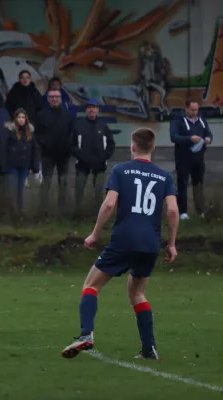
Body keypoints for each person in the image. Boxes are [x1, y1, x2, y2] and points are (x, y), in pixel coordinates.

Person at [61, 128, 179, 360]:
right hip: (150, 243)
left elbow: (108, 205)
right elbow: (173, 210)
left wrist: (94, 234)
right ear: (153, 148)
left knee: (91, 286)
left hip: (124, 239)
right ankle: (149, 348)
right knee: (137, 293)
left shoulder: (121, 170)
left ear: (132, 147)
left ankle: (86, 335)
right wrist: (172, 244)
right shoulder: (164, 176)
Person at [169, 99, 213, 220]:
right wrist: (189, 138)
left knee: (198, 183)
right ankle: (182, 212)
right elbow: (174, 137)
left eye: (196, 110)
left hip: (198, 158)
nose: (195, 112)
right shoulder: (178, 120)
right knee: (182, 184)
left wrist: (209, 138)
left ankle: (200, 211)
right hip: (183, 158)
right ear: (186, 108)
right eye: (192, 110)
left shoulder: (201, 120)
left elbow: (208, 132)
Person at [71, 99, 115, 214]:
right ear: (86, 110)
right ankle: (78, 212)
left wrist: (105, 156)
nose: (91, 109)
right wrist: (80, 156)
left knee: (99, 191)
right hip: (82, 164)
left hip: (100, 165)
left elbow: (111, 144)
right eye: (89, 107)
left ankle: (98, 213)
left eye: (94, 107)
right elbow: (71, 144)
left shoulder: (103, 126)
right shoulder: (79, 125)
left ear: (97, 110)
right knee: (79, 188)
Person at [1, 108, 42, 211]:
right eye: (19, 117)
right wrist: (4, 165)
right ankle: (12, 212)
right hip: (12, 165)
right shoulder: (9, 131)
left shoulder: (30, 132)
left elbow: (35, 149)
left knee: (22, 190)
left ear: (26, 119)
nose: (21, 119)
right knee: (13, 190)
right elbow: (3, 148)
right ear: (15, 118)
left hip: (25, 166)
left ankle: (21, 212)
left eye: (23, 117)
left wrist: (35, 167)